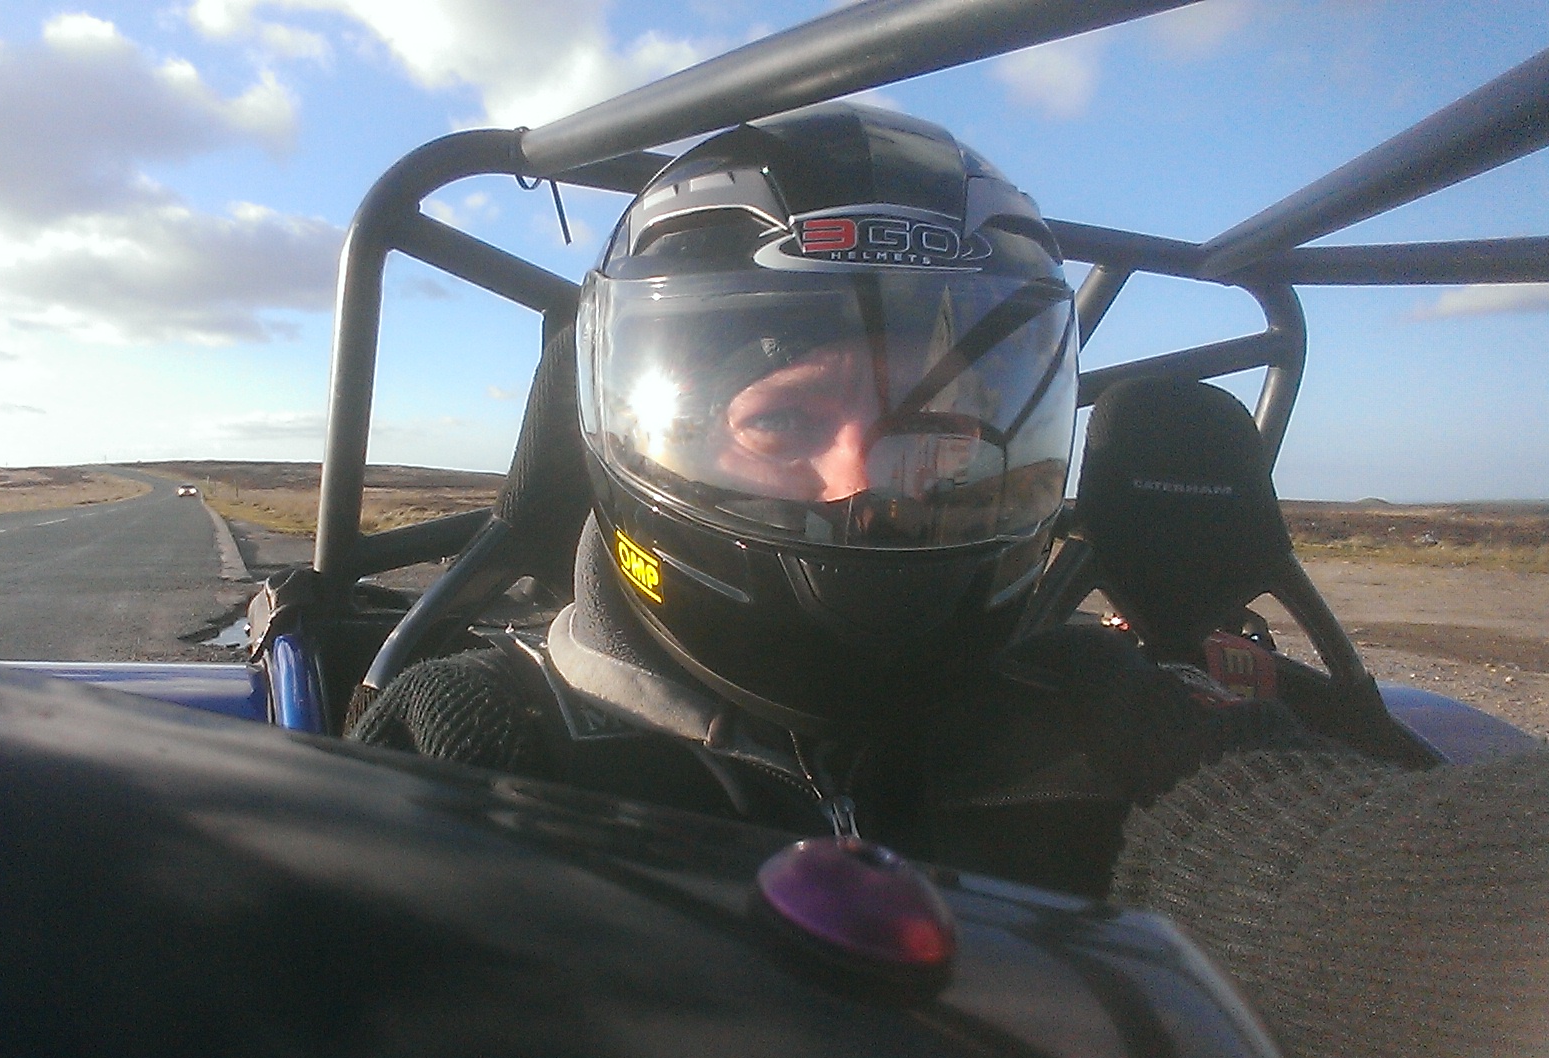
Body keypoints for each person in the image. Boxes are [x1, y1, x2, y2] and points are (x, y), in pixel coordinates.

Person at [348, 103, 1321, 897]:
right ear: (630, 430)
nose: (868, 485)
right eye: (784, 423)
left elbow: (1320, 863)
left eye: (938, 429)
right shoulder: (476, 745)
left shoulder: (1111, 715)